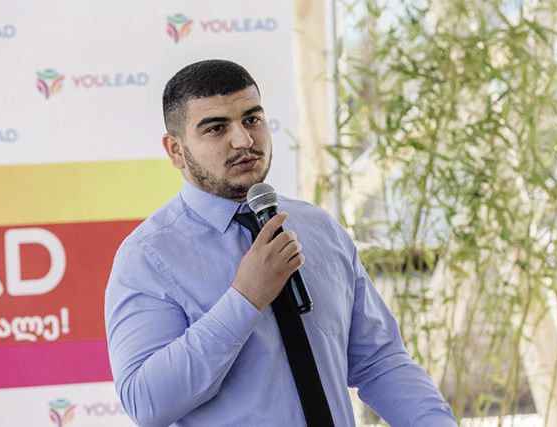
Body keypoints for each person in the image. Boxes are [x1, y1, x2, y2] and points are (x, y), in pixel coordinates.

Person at [105, 59, 457, 427]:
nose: (243, 140)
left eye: (252, 119)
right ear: (176, 150)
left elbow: (379, 362)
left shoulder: (318, 228)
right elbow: (146, 403)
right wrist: (245, 298)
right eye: (216, 128)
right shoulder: (147, 257)